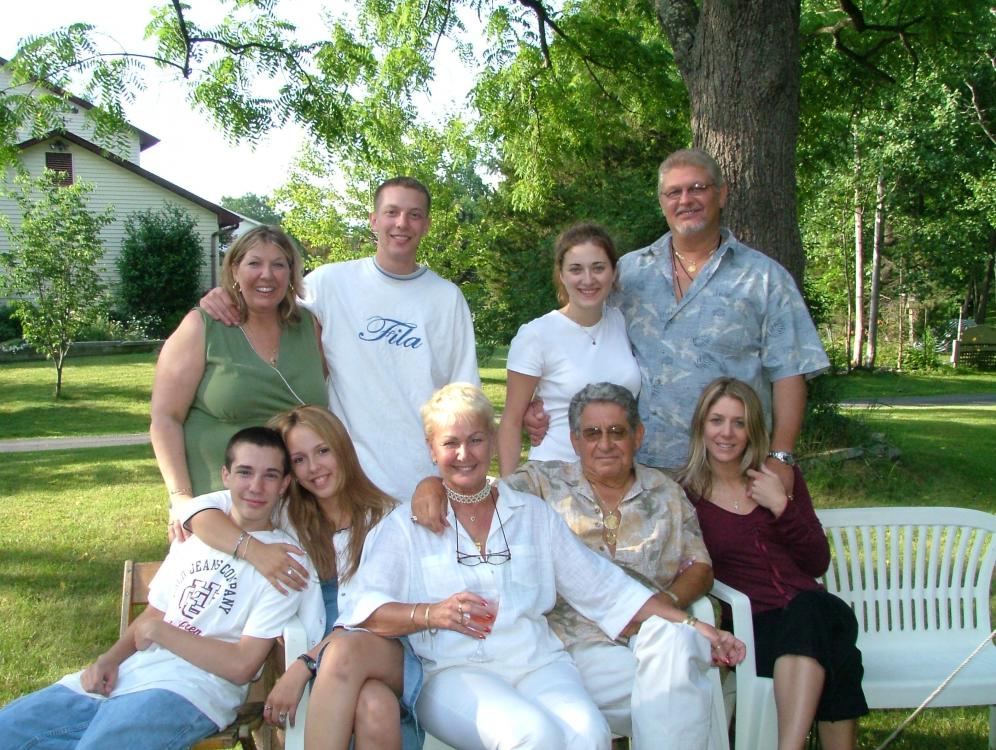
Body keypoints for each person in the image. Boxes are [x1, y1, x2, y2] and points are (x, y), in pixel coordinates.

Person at [335, 383, 742, 750]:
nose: (464, 454)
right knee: (531, 736)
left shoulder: (531, 514)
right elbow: (362, 607)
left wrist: (694, 625)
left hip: (538, 663)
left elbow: (605, 587)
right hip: (453, 670)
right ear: (431, 449)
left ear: (493, 441)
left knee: (589, 735)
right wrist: (431, 613)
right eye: (450, 443)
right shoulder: (406, 526)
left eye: (476, 440)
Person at [526, 149, 829, 492]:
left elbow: (790, 373)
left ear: (721, 194)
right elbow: (579, 334)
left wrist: (781, 456)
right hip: (637, 473)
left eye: (697, 188)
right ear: (662, 202)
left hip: (730, 472)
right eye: (674, 192)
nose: (685, 200)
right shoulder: (628, 273)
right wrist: (536, 398)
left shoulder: (764, 278)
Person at [0, 427, 310, 750]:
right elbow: (153, 614)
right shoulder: (196, 538)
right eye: (245, 472)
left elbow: (242, 666)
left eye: (270, 476)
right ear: (225, 476)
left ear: (284, 484)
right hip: (126, 678)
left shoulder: (283, 562)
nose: (256, 487)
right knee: (7, 730)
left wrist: (161, 632)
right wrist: (109, 659)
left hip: (189, 692)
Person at [199, 177, 479, 501]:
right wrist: (226, 295)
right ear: (374, 220)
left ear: (426, 225)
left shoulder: (446, 298)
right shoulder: (330, 282)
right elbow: (268, 300)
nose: (402, 223)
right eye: (391, 212)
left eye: (414, 215)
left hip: (422, 479)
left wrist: (447, 476)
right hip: (345, 480)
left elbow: (464, 398)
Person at [176, 405, 423, 749]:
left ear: (343, 449)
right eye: (299, 459)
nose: (314, 468)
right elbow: (197, 510)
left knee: (344, 654)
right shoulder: (285, 515)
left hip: (385, 652)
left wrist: (303, 667)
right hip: (327, 670)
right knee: (374, 704)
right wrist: (253, 550)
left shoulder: (386, 518)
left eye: (323, 451)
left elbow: (364, 617)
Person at [679, 377, 867, 750]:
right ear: (701, 426)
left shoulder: (779, 479)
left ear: (753, 430)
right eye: (717, 421)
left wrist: (781, 505)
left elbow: (817, 561)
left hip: (817, 609)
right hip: (755, 625)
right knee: (839, 657)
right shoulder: (686, 496)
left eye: (739, 423)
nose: (727, 433)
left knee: (810, 611)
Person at [151, 224, 328, 538]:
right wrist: (180, 498)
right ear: (235, 269)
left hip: (298, 509)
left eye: (279, 265)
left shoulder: (308, 326)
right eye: (254, 263)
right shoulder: (203, 326)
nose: (267, 275)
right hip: (219, 511)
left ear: (291, 273)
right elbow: (165, 418)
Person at [496, 223, 640, 475]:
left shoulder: (622, 322)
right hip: (555, 476)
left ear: (614, 272)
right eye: (576, 269)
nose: (588, 279)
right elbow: (511, 421)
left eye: (598, 268)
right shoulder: (536, 335)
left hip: (615, 476)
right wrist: (509, 489)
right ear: (561, 275)